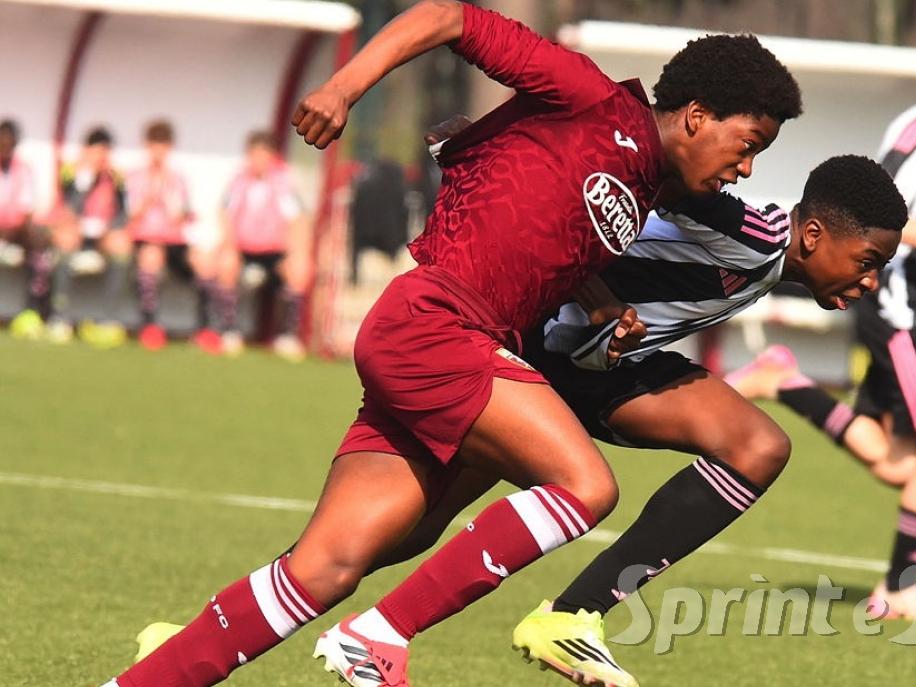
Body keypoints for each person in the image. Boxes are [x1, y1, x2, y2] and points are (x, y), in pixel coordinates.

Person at [100, 2, 800, 687]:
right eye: (748, 145)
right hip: (438, 325)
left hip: (441, 338)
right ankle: (378, 635)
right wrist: (343, 87)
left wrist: (601, 303)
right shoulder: (589, 97)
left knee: (327, 567)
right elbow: (448, 15)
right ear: (697, 115)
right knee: (584, 486)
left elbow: (542, 230)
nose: (745, 169)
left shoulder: (647, 182)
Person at [333, 148, 905, 686]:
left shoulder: (769, 260)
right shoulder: (752, 234)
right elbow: (639, 175)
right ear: (813, 235)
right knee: (403, 529)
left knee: (757, 445)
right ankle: (320, 601)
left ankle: (571, 617)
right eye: (868, 261)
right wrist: (490, 155)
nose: (871, 280)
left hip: (595, 369)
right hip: (534, 349)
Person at [729, 7, 916, 624]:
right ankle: (902, 588)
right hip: (897, 306)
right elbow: (885, 218)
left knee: (896, 460)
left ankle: (783, 380)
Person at [127, 119, 222, 352]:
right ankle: (149, 325)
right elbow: (130, 214)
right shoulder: (134, 176)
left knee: (205, 262)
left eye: (163, 145)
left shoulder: (178, 179)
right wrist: (150, 194)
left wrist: (169, 196)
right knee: (151, 256)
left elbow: (183, 216)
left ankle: (206, 328)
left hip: (174, 241)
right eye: (154, 145)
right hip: (144, 240)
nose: (158, 152)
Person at [215, 131, 310, 360]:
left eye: (263, 155)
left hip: (274, 251)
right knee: (226, 264)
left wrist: (297, 251)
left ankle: (287, 336)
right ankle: (229, 331)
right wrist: (229, 245)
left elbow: (297, 219)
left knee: (298, 269)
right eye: (254, 155)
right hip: (244, 249)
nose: (258, 160)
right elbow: (224, 214)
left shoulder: (283, 184)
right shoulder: (238, 182)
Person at [49, 126, 131, 346]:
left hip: (102, 236)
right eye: (97, 151)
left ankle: (109, 319)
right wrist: (85, 181)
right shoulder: (70, 172)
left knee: (121, 244)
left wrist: (108, 228)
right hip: (74, 234)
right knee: (65, 238)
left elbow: (123, 215)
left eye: (105, 151)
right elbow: (68, 210)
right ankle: (59, 316)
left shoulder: (116, 177)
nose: (101, 157)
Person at [0, 119, 53, 338]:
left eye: (9, 144)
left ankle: (34, 309)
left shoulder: (23, 170)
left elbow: (26, 208)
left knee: (39, 239)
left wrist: (9, 231)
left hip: (15, 230)